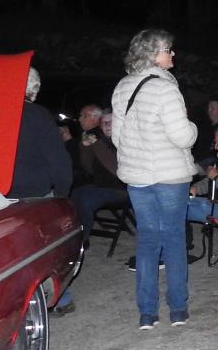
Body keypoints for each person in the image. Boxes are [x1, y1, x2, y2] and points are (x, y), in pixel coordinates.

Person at [112, 29, 199, 329]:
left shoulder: (122, 87)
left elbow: (117, 138)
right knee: (173, 239)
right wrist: (193, 126)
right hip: (169, 176)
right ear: (153, 54)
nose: (172, 54)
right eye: (168, 50)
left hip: (138, 177)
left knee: (148, 240)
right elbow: (183, 136)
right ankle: (178, 309)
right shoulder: (165, 88)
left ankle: (147, 313)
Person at [9, 66, 73, 200]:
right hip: (31, 194)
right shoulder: (38, 115)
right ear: (35, 90)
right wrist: (61, 193)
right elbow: (58, 161)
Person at [71, 104, 129, 238]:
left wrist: (96, 145)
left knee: (86, 201)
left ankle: (83, 240)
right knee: (73, 196)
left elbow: (116, 169)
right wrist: (85, 147)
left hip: (122, 189)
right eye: (104, 122)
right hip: (101, 186)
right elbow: (89, 168)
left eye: (111, 122)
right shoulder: (101, 140)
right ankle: (75, 236)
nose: (107, 125)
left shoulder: (125, 141)